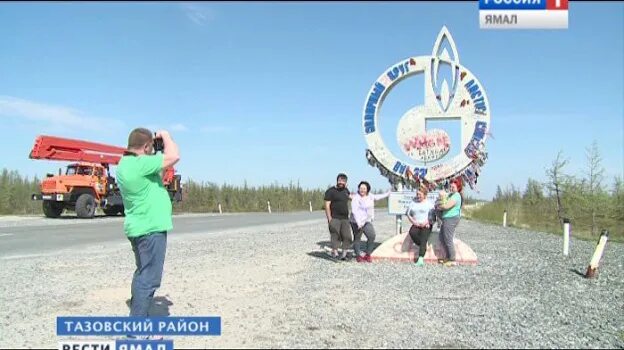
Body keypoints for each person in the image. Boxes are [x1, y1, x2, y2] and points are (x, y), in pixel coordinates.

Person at [117, 128, 180, 318]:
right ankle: (137, 330)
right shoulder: (140, 164)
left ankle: (140, 319)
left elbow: (158, 175)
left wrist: (157, 150)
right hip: (150, 229)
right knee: (149, 279)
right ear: (145, 147)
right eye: (151, 148)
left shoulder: (125, 164)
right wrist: (166, 136)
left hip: (139, 227)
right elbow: (175, 156)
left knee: (142, 274)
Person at [349, 181, 390, 263]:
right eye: (361, 188)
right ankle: (358, 255)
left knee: (371, 236)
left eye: (364, 188)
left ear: (367, 189)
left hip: (366, 220)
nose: (362, 190)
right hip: (356, 221)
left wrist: (387, 194)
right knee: (357, 238)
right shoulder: (356, 198)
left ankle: (368, 254)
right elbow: (354, 211)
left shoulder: (370, 196)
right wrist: (359, 223)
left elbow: (378, 197)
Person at [324, 173, 353, 260]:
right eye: (340, 180)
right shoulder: (330, 191)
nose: (341, 182)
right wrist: (329, 218)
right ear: (337, 181)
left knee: (347, 236)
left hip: (345, 218)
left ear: (346, 182)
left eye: (343, 181)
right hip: (334, 217)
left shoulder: (346, 191)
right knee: (335, 235)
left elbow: (353, 198)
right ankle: (335, 253)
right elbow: (327, 205)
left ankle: (344, 254)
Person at [405, 187, 436, 266]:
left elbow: (433, 216)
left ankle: (420, 259)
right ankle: (423, 245)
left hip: (427, 224)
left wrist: (427, 222)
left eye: (420, 194)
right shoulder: (413, 203)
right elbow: (408, 213)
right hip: (416, 223)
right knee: (412, 232)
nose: (418, 196)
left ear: (425, 195)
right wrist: (414, 222)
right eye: (417, 194)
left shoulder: (429, 204)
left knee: (423, 238)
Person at [436, 180, 463, 267]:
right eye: (450, 187)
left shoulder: (456, 196)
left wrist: (439, 207)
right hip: (446, 218)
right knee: (442, 237)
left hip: (451, 218)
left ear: (458, 188)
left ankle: (452, 259)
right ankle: (447, 256)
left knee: (448, 238)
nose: (451, 188)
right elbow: (441, 201)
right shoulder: (450, 195)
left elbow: (446, 206)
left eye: (453, 187)